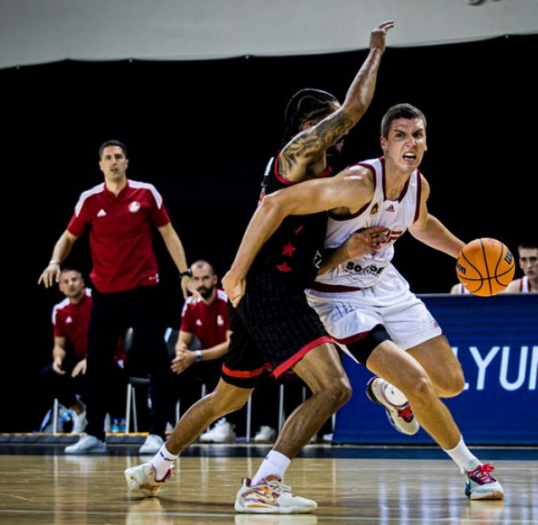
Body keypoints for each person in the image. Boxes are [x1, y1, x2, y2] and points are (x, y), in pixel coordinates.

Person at [124, 20, 394, 514]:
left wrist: (347, 252)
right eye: (329, 124)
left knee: (228, 399)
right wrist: (375, 51)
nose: (341, 135)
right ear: (309, 126)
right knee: (333, 389)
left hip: (270, 291)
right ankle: (261, 487)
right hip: (270, 293)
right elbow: (355, 111)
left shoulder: (320, 181)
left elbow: (307, 260)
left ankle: (155, 466)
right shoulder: (293, 158)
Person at [225, 103, 506, 502]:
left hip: (386, 286)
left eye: (418, 135)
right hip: (337, 296)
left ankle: (390, 394)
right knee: (418, 381)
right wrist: (237, 271)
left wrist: (466, 254)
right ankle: (473, 470)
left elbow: (420, 223)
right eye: (401, 135)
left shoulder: (418, 185)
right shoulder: (356, 182)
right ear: (384, 143)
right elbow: (275, 203)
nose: (411, 143)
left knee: (451, 383)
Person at [38, 139, 194, 456]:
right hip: (106, 294)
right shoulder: (89, 199)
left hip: (143, 289)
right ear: (100, 165)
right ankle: (94, 432)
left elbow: (168, 233)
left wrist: (184, 273)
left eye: (118, 157)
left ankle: (156, 433)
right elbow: (68, 237)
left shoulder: (145, 193)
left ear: (126, 162)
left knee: (156, 360)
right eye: (107, 158)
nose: (113, 162)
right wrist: (55, 261)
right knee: (96, 363)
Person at [39, 267, 127, 434]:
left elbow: (112, 335)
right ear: (60, 287)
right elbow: (59, 345)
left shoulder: (98, 300)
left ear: (82, 282)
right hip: (82, 361)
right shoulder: (59, 310)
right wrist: (57, 359)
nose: (71, 284)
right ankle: (79, 411)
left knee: (92, 371)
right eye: (66, 281)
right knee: (49, 374)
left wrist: (91, 358)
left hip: (111, 358)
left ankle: (99, 416)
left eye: (74, 279)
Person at [167, 259, 235, 442]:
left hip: (225, 357)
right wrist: (181, 353)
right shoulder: (190, 303)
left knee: (226, 365)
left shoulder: (226, 300)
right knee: (174, 365)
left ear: (214, 279)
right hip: (202, 358)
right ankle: (177, 423)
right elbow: (182, 340)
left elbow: (230, 344)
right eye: (196, 279)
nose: (200, 284)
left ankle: (225, 424)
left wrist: (195, 356)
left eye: (205, 278)